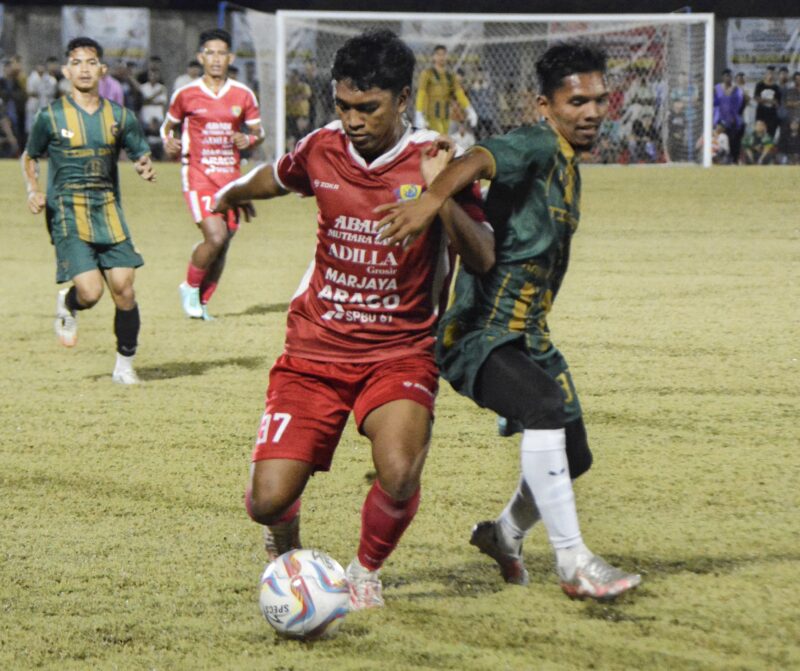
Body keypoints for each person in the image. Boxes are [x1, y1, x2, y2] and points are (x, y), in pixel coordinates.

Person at [212, 29, 491, 610]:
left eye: (369, 107)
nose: (353, 120)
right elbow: (280, 176)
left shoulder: (436, 157)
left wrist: (437, 197)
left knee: (398, 470)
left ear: (402, 98)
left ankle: (365, 570)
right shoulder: (323, 147)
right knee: (265, 499)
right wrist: (231, 192)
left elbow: (484, 254)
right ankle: (284, 540)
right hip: (314, 348)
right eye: (343, 106)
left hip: (399, 351)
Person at [375, 41, 642, 601]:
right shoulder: (538, 143)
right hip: (481, 333)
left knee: (574, 454)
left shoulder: (566, 162)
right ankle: (573, 562)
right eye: (576, 101)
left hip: (529, 336)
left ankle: (504, 534)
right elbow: (479, 159)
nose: (591, 111)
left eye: (599, 100)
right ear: (545, 106)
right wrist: (430, 198)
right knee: (543, 408)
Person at [21, 37, 155, 384]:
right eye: (77, 62)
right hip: (67, 210)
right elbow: (29, 156)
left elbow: (140, 152)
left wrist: (144, 166)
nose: (84, 68)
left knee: (124, 288)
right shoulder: (50, 117)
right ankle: (70, 302)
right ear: (67, 70)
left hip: (108, 209)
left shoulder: (119, 116)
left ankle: (124, 367)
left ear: (102, 69)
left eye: (91, 62)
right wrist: (33, 190)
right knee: (92, 293)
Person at [160, 29, 264, 320]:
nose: (216, 59)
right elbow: (166, 127)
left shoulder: (243, 95)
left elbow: (259, 132)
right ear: (200, 57)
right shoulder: (186, 94)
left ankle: (203, 303)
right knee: (215, 237)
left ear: (230, 57)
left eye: (222, 53)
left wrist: (250, 140)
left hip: (231, 179)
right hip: (198, 175)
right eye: (210, 53)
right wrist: (169, 141)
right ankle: (189, 286)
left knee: (223, 242)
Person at [415, 44, 477, 134]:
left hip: (446, 115)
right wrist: (418, 113)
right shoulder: (427, 74)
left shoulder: (450, 76)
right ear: (434, 57)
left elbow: (459, 94)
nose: (441, 57)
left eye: (443, 54)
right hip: (431, 115)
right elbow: (421, 93)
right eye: (438, 54)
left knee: (444, 140)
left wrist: (469, 109)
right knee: (437, 140)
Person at [713, 69, 745, 164]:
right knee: (720, 140)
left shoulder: (737, 90)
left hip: (733, 120)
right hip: (719, 120)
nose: (728, 78)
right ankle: (720, 160)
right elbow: (714, 103)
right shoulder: (717, 88)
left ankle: (734, 160)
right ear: (723, 77)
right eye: (726, 76)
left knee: (734, 142)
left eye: (730, 76)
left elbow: (739, 104)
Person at [754, 66, 782, 138]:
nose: (771, 75)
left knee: (770, 136)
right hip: (761, 114)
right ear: (765, 74)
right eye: (769, 73)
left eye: (772, 73)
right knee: (759, 135)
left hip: (772, 115)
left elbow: (777, 103)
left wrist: (765, 100)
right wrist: (770, 101)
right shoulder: (760, 85)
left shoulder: (776, 87)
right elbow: (756, 98)